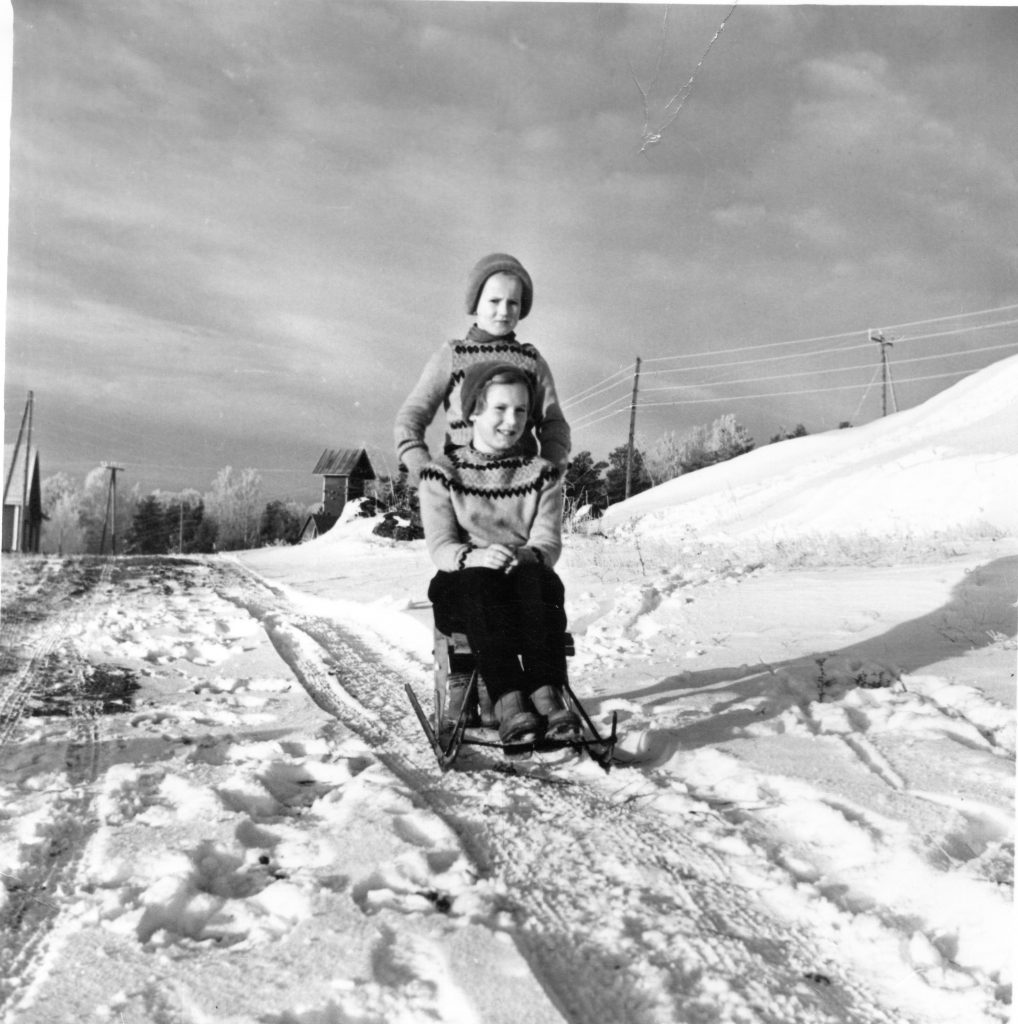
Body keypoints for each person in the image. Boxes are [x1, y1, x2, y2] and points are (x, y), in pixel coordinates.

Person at [418, 361, 581, 746]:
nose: (512, 421)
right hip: (463, 588)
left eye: (521, 410)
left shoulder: (541, 474)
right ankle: (509, 701)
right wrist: (475, 557)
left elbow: (547, 544)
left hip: (522, 586)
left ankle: (546, 695)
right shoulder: (442, 474)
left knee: (539, 578)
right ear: (474, 410)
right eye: (500, 409)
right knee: (478, 582)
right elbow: (441, 547)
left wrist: (525, 556)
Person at [394, 253, 570, 487]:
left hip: (520, 487)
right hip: (462, 484)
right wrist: (425, 472)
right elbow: (410, 417)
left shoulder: (531, 360)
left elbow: (554, 423)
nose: (504, 310)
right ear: (476, 303)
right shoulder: (453, 355)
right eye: (494, 301)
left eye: (513, 302)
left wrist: (548, 473)